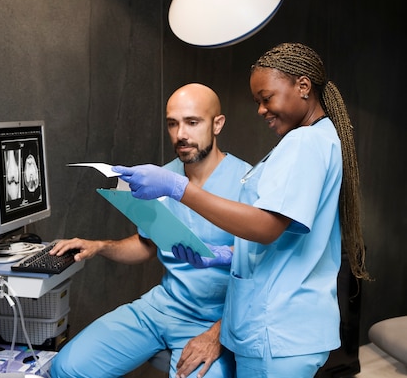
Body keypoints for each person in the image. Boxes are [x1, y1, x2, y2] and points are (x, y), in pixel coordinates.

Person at [113, 42, 370, 378]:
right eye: (257, 102)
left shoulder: (305, 143)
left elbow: (266, 226)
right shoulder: (316, 138)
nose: (261, 110)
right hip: (283, 327)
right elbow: (287, 235)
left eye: (267, 98)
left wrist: (178, 187)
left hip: (277, 328)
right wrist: (223, 254)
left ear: (303, 86)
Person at [49, 83, 251, 378]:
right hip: (162, 306)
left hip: (215, 319)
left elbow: (260, 273)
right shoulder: (161, 178)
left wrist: (218, 335)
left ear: (217, 124)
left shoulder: (247, 182)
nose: (181, 134)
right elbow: (146, 244)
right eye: (173, 123)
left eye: (192, 122)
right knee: (67, 368)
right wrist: (99, 246)